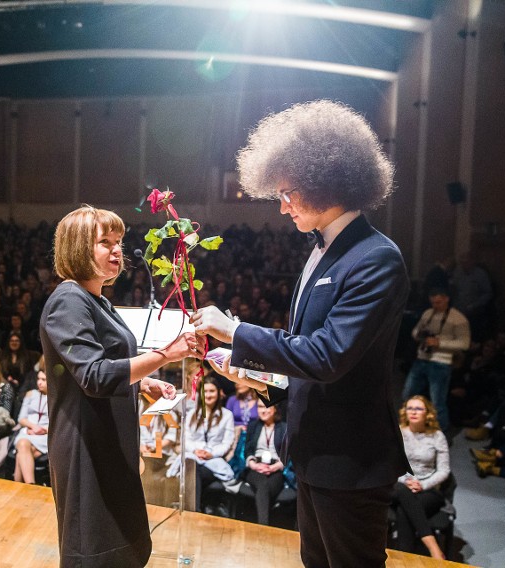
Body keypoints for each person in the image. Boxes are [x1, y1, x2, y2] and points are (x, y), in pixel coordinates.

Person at [191, 100, 411, 567]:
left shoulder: (376, 258)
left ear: (326, 180)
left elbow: (329, 356)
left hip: (351, 459)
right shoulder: (322, 250)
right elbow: (306, 362)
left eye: (288, 191)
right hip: (314, 452)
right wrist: (262, 384)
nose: (283, 205)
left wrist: (235, 331)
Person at [40, 205, 201, 568]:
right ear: (79, 248)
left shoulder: (97, 301)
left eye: (119, 242)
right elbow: (94, 376)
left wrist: (143, 383)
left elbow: (102, 364)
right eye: (105, 242)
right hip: (87, 449)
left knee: (124, 549)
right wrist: (165, 354)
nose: (117, 250)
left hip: (110, 444)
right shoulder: (68, 301)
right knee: (96, 554)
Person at [402, 288, 471, 432]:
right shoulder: (428, 313)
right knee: (408, 394)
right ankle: (410, 427)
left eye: (438, 302)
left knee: (437, 402)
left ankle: (441, 434)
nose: (435, 305)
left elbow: (465, 344)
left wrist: (439, 343)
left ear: (447, 299)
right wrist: (420, 335)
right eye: (433, 302)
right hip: (422, 357)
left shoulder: (458, 318)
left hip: (441, 362)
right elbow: (414, 332)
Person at [394, 396, 449, 560]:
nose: (413, 412)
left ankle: (402, 558)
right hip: (398, 485)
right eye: (410, 408)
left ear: (428, 413)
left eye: (418, 408)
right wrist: (405, 481)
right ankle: (434, 549)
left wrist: (422, 485)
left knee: (404, 509)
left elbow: (444, 471)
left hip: (427, 489)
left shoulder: (437, 436)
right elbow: (389, 463)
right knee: (402, 491)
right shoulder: (398, 432)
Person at [183, 375, 236, 515]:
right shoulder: (191, 414)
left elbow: (227, 443)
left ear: (219, 393)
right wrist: (196, 450)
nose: (208, 395)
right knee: (192, 466)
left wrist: (211, 453)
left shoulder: (227, 415)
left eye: (212, 391)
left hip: (213, 461)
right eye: (205, 391)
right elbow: (186, 439)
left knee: (196, 472)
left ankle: (193, 511)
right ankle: (195, 509)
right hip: (193, 457)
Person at [13, 364, 49, 484]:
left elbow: (57, 424)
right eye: (38, 379)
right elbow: (21, 418)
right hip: (28, 431)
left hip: (45, 435)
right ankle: (31, 485)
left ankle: (20, 488)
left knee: (21, 455)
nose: (39, 382)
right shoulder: (30, 394)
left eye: (43, 380)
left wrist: (42, 430)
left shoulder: (56, 399)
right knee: (23, 443)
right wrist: (34, 427)